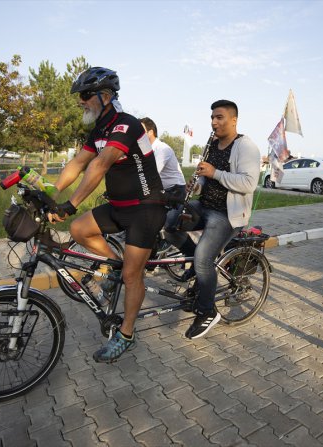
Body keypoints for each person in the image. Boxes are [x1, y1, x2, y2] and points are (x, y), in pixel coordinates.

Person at [47, 66, 167, 362]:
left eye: (85, 95)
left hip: (145, 209)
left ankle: (126, 335)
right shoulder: (99, 129)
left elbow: (99, 166)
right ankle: (113, 264)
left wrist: (71, 203)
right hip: (119, 207)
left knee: (131, 274)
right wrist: (51, 196)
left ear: (105, 95)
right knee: (79, 230)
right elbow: (78, 163)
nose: (80, 101)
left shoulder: (126, 125)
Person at [164, 99, 260, 339]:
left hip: (228, 214)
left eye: (219, 117)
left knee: (203, 259)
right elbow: (206, 180)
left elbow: (249, 183)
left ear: (234, 119)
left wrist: (214, 173)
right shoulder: (213, 145)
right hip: (204, 205)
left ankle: (207, 312)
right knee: (170, 225)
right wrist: (196, 184)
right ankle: (199, 273)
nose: (214, 122)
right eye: (212, 118)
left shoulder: (245, 146)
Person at [140, 117, 186, 198]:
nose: (138, 134)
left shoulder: (163, 149)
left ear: (150, 132)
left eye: (140, 130)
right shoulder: (145, 149)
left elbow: (151, 174)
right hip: (162, 189)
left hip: (175, 190)